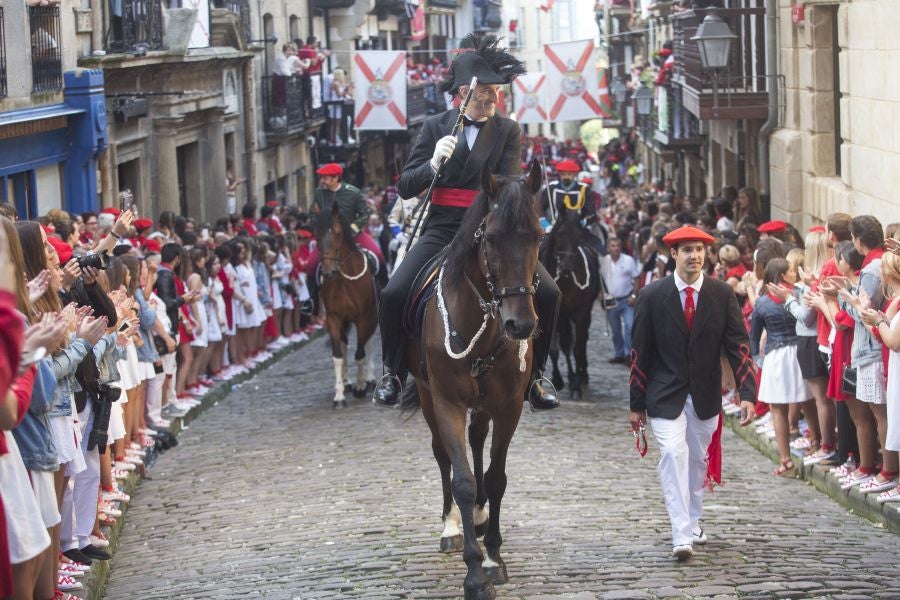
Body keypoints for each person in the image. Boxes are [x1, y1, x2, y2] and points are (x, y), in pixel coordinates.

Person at [372, 33, 561, 410]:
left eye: (495, 91)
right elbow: (407, 187)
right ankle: (393, 371)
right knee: (393, 293)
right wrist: (431, 165)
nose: (492, 98)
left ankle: (538, 376)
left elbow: (507, 186)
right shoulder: (433, 128)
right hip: (442, 228)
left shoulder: (508, 130)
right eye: (484, 92)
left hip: (490, 231)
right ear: (463, 94)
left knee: (551, 294)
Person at [629, 225, 757, 561]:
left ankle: (693, 520)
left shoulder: (721, 294)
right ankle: (680, 534)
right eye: (686, 250)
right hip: (663, 394)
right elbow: (640, 352)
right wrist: (636, 404)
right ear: (673, 254)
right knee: (673, 454)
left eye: (699, 249)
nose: (694, 256)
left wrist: (748, 393)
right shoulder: (652, 296)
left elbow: (738, 346)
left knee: (697, 461)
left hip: (705, 395)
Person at [307, 163, 387, 287]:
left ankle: (384, 294)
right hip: (329, 238)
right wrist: (319, 224)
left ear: (335, 178)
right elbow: (312, 213)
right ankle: (312, 302)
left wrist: (352, 229)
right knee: (311, 264)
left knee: (378, 255)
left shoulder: (353, 193)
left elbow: (365, 213)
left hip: (353, 234)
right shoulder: (319, 193)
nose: (322, 180)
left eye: (325, 177)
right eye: (321, 177)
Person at [543, 159, 607, 257]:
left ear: (575, 175)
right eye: (563, 174)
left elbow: (591, 213)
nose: (566, 177)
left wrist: (580, 223)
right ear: (559, 175)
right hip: (554, 229)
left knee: (601, 253)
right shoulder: (551, 189)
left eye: (569, 174)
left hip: (579, 230)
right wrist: (546, 225)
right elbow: (539, 210)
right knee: (538, 251)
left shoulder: (584, 190)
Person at [602, 237, 640, 364]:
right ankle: (619, 354)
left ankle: (629, 354)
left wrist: (634, 296)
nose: (616, 248)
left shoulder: (628, 260)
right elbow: (600, 282)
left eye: (618, 245)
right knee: (615, 330)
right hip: (611, 301)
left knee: (630, 326)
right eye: (613, 246)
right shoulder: (605, 261)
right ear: (608, 248)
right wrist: (601, 299)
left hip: (626, 299)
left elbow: (637, 278)